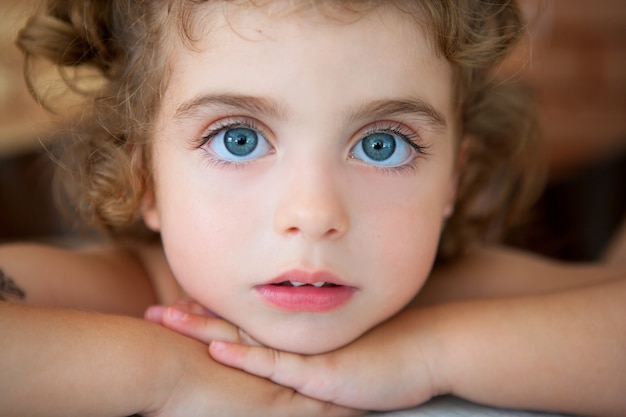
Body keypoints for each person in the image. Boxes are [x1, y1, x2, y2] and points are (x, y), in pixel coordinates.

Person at [0, 1, 624, 417]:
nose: (315, 213)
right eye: (237, 139)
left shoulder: (453, 297)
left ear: (452, 181)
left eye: (382, 145)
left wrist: (427, 354)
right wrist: (169, 374)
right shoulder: (121, 294)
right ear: (147, 178)